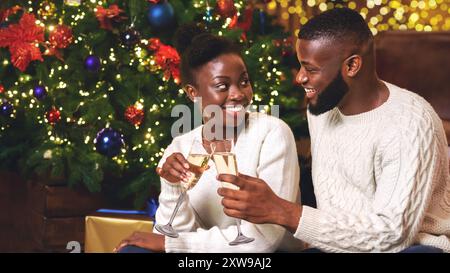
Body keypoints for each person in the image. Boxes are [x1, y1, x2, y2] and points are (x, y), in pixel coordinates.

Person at [217, 8, 450, 253]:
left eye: (311, 69)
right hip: (341, 245)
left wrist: (284, 211)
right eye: (300, 66)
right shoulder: (323, 107)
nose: (299, 78)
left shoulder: (409, 124)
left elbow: (392, 234)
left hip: (411, 247)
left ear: (352, 66)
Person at [114, 23, 303, 253]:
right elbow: (170, 233)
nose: (238, 94)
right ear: (193, 93)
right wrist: (173, 187)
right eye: (222, 86)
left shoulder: (272, 133)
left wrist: (176, 244)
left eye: (244, 81)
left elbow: (264, 240)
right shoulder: (181, 146)